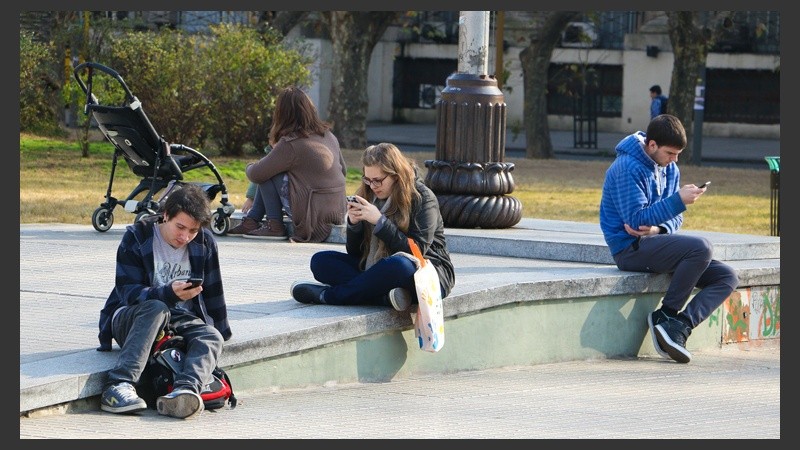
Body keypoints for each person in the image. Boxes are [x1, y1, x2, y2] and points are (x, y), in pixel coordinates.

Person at [599, 114, 739, 364]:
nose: (674, 160)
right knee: (701, 247)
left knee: (726, 276)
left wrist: (658, 230)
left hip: (653, 243)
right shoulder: (626, 168)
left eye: (678, 154)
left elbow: (675, 221)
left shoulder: (669, 168)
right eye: (670, 153)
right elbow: (635, 220)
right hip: (629, 249)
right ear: (651, 145)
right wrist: (677, 202)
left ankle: (680, 325)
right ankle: (666, 314)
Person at [96, 183, 232, 418]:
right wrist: (168, 293)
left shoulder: (205, 242)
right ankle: (118, 385)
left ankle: (184, 392)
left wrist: (219, 334)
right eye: (180, 227)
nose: (185, 236)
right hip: (133, 315)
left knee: (211, 335)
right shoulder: (137, 236)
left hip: (177, 319)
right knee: (157, 308)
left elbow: (213, 292)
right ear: (166, 215)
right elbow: (128, 293)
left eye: (193, 230)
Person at [289, 142, 455, 311]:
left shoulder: (422, 197)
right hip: (379, 268)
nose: (373, 186)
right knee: (321, 261)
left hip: (428, 272)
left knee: (398, 265)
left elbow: (417, 252)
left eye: (378, 180)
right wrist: (354, 225)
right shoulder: (368, 193)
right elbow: (356, 254)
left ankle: (330, 296)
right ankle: (383, 298)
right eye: (368, 180)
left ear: (396, 175)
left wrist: (380, 222)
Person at [227, 86, 347, 242]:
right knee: (271, 168)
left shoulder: (291, 143)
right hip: (337, 209)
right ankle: (252, 220)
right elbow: (343, 170)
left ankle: (274, 226)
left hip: (312, 215)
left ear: (282, 113)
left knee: (268, 172)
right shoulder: (328, 136)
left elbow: (257, 174)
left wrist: (250, 165)